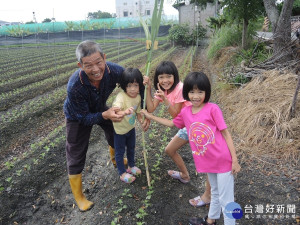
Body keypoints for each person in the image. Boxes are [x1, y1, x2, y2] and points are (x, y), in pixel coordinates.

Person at [141, 71, 241, 225]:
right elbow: (172, 123)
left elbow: (226, 134)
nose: (196, 96)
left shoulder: (212, 109)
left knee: (226, 200)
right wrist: (150, 116)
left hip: (223, 159)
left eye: (200, 92)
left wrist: (234, 160)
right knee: (214, 192)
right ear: (186, 92)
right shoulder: (186, 112)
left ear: (206, 92)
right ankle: (210, 221)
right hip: (209, 161)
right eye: (192, 92)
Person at [63, 40, 150, 211]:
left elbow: (133, 83)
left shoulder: (115, 70)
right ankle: (79, 197)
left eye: (98, 62)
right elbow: (84, 118)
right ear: (80, 65)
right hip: (77, 116)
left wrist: (144, 84)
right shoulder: (75, 86)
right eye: (88, 65)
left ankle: (116, 161)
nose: (95, 69)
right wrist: (104, 115)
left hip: (100, 106)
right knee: (76, 150)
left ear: (104, 58)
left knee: (113, 130)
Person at [143, 61, 211, 207]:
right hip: (186, 126)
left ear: (175, 76)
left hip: (197, 127)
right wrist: (149, 88)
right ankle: (185, 176)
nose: (165, 80)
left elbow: (175, 116)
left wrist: (165, 99)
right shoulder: (162, 89)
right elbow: (150, 108)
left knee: (206, 163)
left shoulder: (180, 89)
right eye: (161, 77)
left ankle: (207, 196)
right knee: (170, 150)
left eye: (169, 76)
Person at [112, 68, 144, 183]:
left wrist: (141, 121)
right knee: (120, 152)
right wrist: (124, 112)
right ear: (124, 86)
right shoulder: (121, 97)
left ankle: (131, 166)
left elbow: (138, 112)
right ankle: (122, 172)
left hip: (131, 128)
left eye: (136, 85)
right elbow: (115, 111)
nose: (133, 89)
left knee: (131, 148)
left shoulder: (138, 97)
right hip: (120, 130)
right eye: (129, 85)